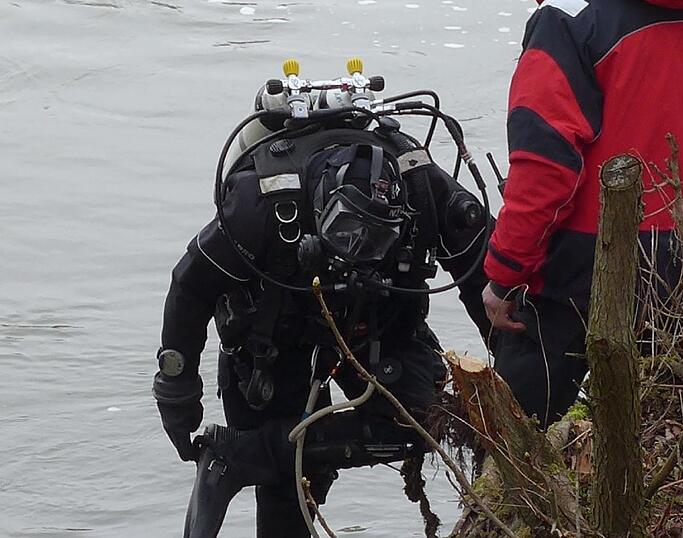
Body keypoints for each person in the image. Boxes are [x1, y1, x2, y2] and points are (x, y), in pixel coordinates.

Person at [153, 113, 490, 537]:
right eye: (346, 235)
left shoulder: (423, 188)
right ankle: (235, 462)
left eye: (375, 241)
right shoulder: (261, 207)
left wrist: (522, 384)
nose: (358, 253)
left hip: (375, 321)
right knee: (287, 494)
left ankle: (243, 455)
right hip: (273, 337)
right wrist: (177, 394)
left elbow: (490, 283)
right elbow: (190, 288)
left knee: (424, 420)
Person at [482, 0, 683, 426]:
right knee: (659, 418)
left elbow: (544, 171)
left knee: (520, 433)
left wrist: (505, 274)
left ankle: (516, 490)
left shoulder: (570, 21)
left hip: (581, 261)